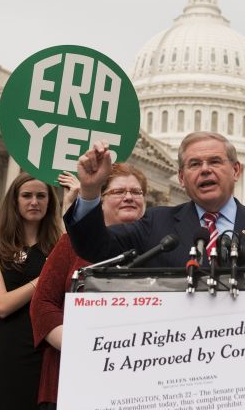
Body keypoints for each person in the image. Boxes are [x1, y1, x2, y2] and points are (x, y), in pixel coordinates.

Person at [65, 132, 245, 269]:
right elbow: (94, 247)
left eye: (215, 162)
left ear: (236, 170)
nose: (205, 170)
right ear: (181, 178)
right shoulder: (156, 224)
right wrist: (90, 189)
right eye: (195, 164)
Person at [31, 164, 148, 410]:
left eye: (136, 192)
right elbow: (43, 304)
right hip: (72, 376)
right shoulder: (72, 244)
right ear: (100, 202)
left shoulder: (156, 246)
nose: (129, 197)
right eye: (118, 192)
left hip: (136, 382)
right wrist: (85, 345)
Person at [0, 173, 62, 410]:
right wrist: (47, 276)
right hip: (9, 353)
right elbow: (2, 306)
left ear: (50, 201)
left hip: (48, 352)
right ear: (15, 201)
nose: (34, 201)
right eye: (26, 195)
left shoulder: (61, 247)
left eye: (41, 196)